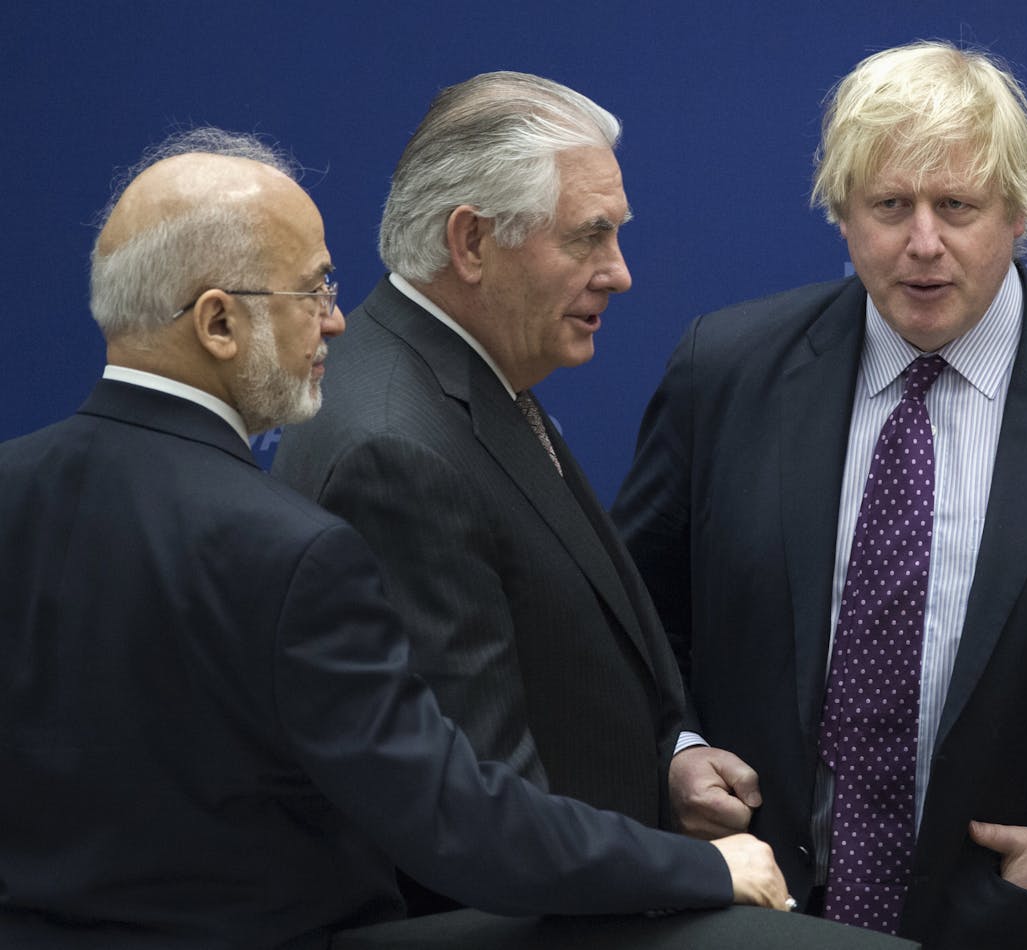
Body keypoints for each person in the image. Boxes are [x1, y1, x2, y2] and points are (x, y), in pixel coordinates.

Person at [0, 128, 788, 949]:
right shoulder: (293, 553)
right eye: (312, 291)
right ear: (218, 324)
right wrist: (703, 869)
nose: (337, 322)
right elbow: (458, 823)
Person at [613, 40, 1027, 950]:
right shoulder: (724, 373)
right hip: (752, 915)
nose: (923, 243)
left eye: (957, 206)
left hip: (1015, 921)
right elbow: (628, 620)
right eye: (889, 205)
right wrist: (676, 752)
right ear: (843, 215)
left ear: (1018, 212)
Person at [273, 72, 759, 915]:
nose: (621, 274)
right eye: (589, 237)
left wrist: (666, 763)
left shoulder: (461, 372)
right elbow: (477, 812)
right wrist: (702, 873)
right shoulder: (398, 448)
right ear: (471, 242)